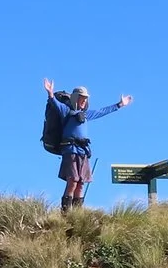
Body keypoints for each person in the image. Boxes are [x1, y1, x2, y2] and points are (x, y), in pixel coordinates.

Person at [42, 78, 132, 212]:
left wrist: (119, 104)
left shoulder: (85, 115)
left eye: (85, 98)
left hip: (83, 152)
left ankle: (78, 213)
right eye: (82, 98)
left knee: (81, 182)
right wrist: (50, 92)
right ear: (75, 98)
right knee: (73, 180)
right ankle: (66, 212)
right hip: (70, 150)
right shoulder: (66, 111)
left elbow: (102, 111)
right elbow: (54, 103)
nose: (84, 101)